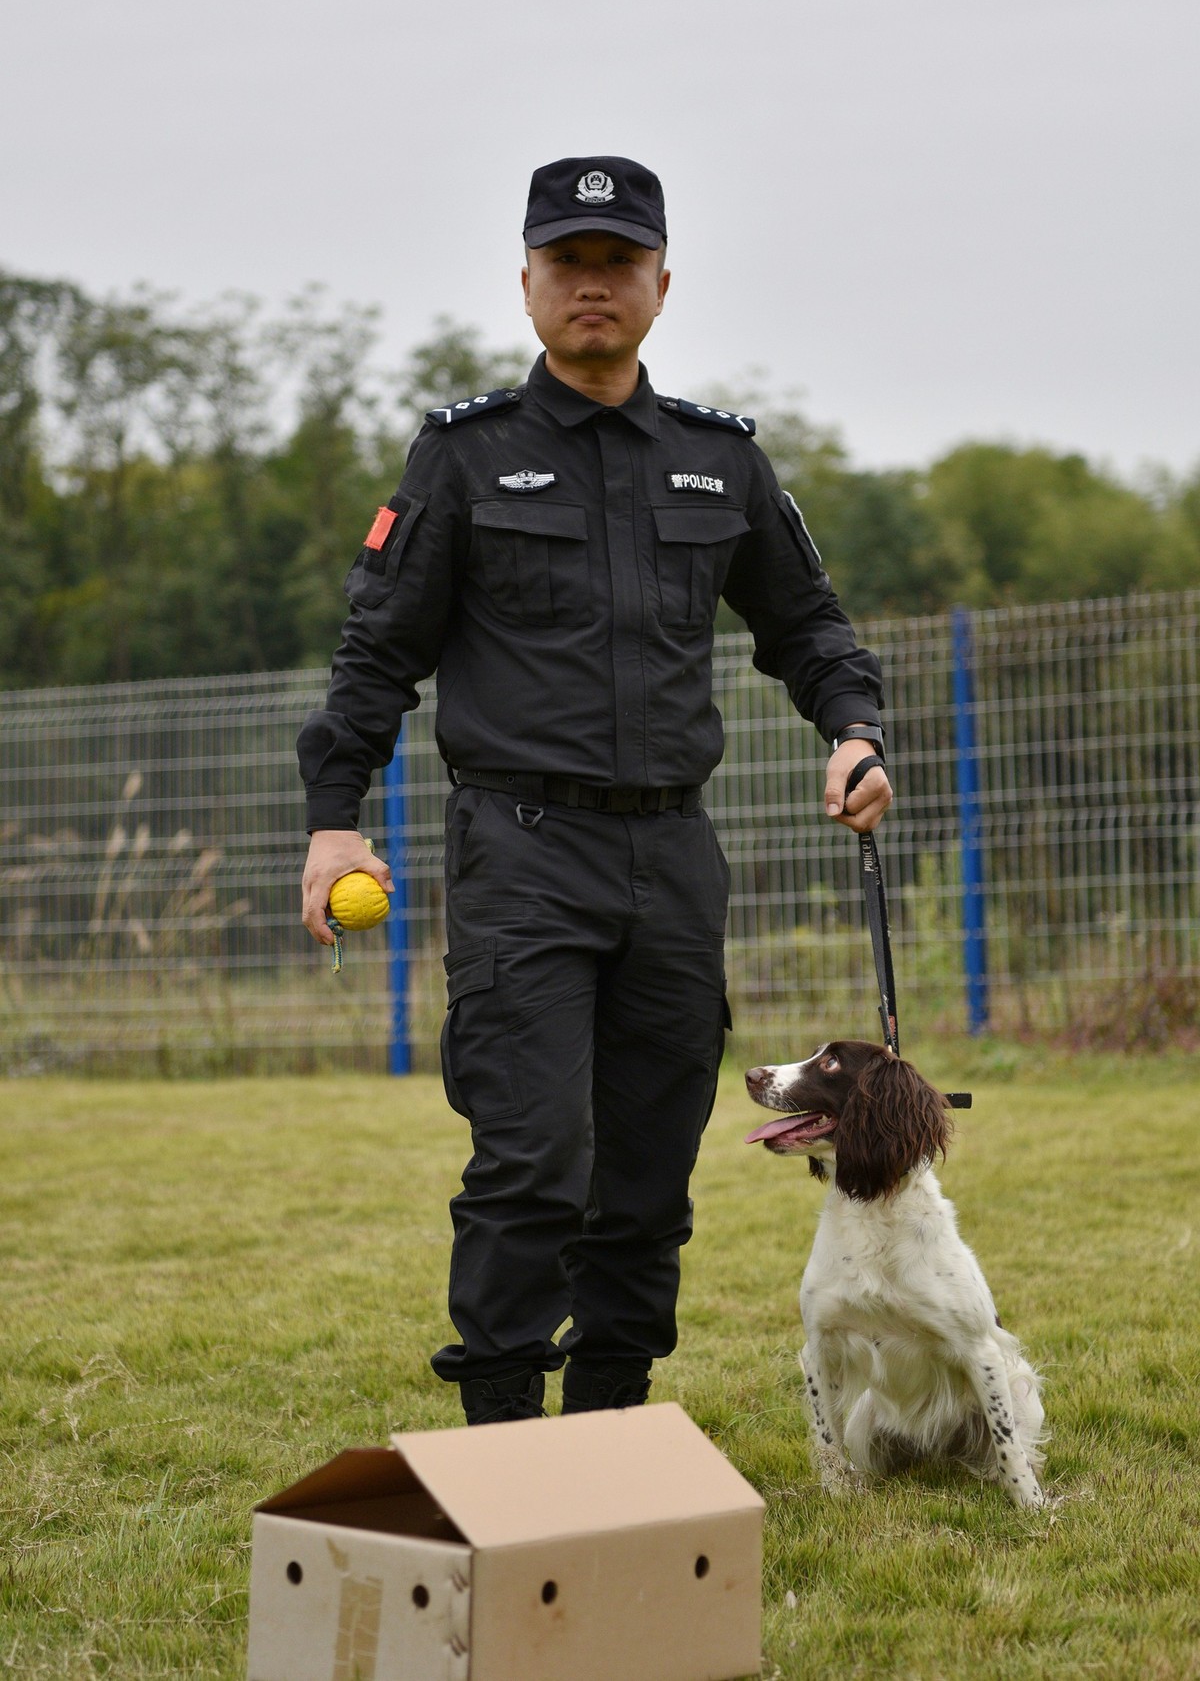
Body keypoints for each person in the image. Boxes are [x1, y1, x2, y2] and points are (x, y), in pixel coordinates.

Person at [298, 155, 892, 1425]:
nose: (592, 286)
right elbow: (375, 656)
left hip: (673, 863)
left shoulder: (717, 462)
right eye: (567, 263)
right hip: (522, 852)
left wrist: (853, 731)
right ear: (526, 284)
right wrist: (333, 819)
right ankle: (508, 1440)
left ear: (661, 285)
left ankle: (616, 1431)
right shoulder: (463, 458)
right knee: (531, 1160)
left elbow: (811, 628)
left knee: (649, 1173)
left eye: (617, 263)